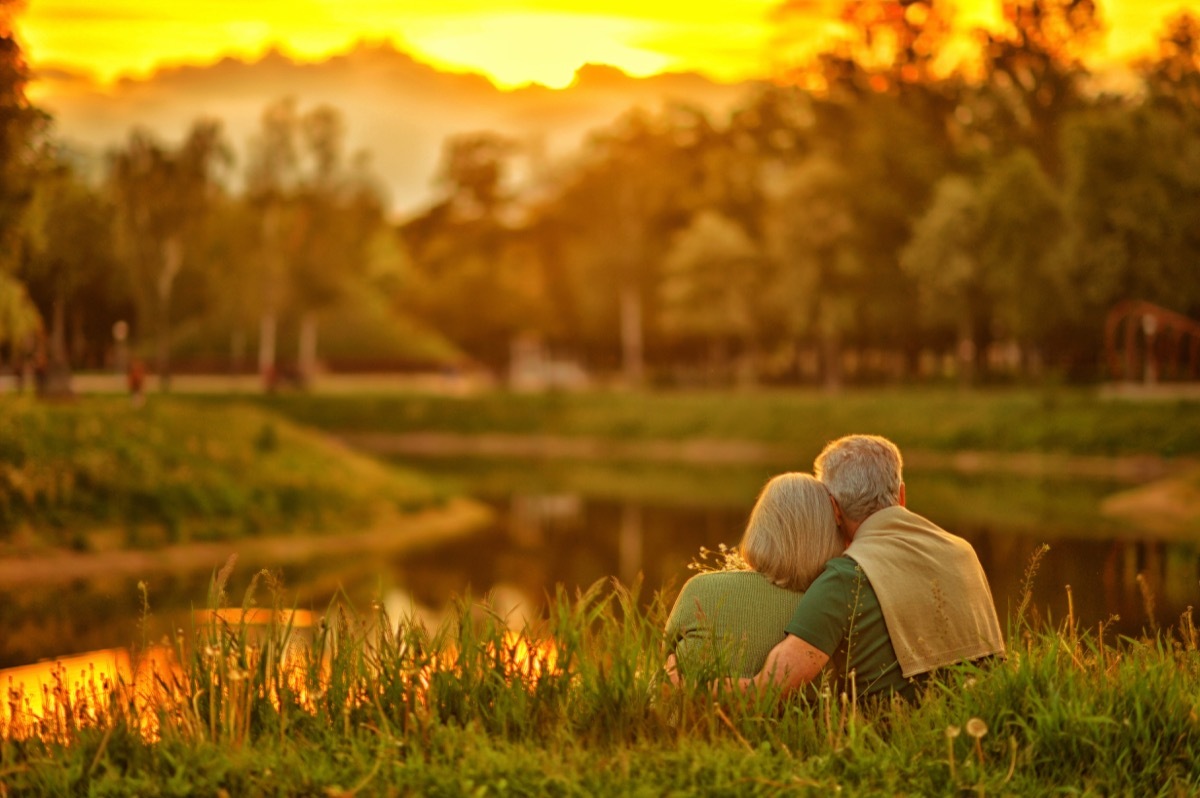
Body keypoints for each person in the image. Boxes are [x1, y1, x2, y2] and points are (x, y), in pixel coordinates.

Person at [744, 435, 1005, 702]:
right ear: (901, 495)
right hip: (981, 718)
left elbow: (768, 690)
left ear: (834, 509)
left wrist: (707, 686)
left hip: (894, 736)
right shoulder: (963, 551)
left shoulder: (846, 578)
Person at [664, 472, 845, 681]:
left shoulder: (699, 589)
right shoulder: (831, 609)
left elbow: (665, 657)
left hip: (691, 711)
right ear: (828, 535)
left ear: (760, 527)